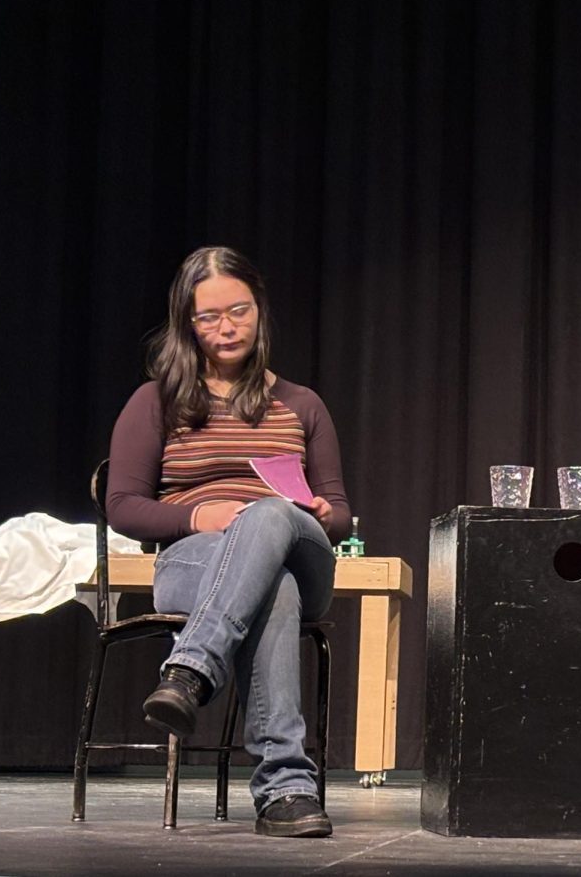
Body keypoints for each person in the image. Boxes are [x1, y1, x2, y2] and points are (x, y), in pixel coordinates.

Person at [106, 246, 351, 838]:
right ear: (186, 324)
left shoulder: (301, 404)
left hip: (299, 545)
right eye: (208, 316)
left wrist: (319, 513)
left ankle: (190, 669)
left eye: (237, 310)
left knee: (270, 520)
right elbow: (122, 507)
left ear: (259, 311)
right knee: (276, 590)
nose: (226, 326)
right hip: (197, 560)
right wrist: (197, 518)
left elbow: (340, 515)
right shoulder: (156, 401)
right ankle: (287, 791)